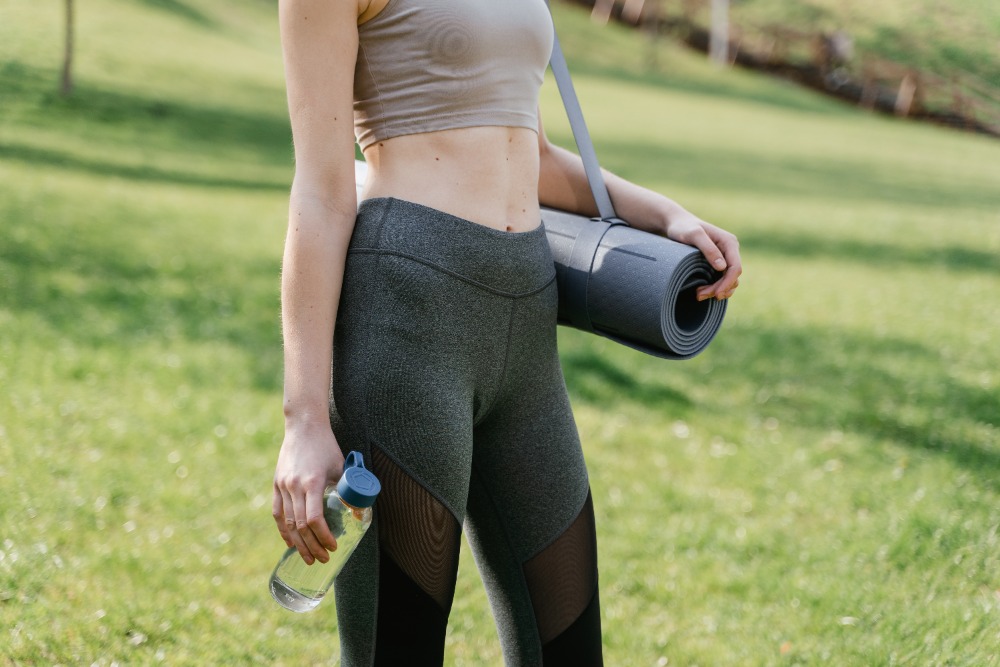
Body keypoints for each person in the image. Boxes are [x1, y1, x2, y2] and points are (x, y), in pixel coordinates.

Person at [270, 0, 742, 664]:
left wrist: (668, 216)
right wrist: (304, 417)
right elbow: (320, 192)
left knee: (568, 647)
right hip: (408, 317)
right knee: (397, 649)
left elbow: (536, 154)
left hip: (525, 325)